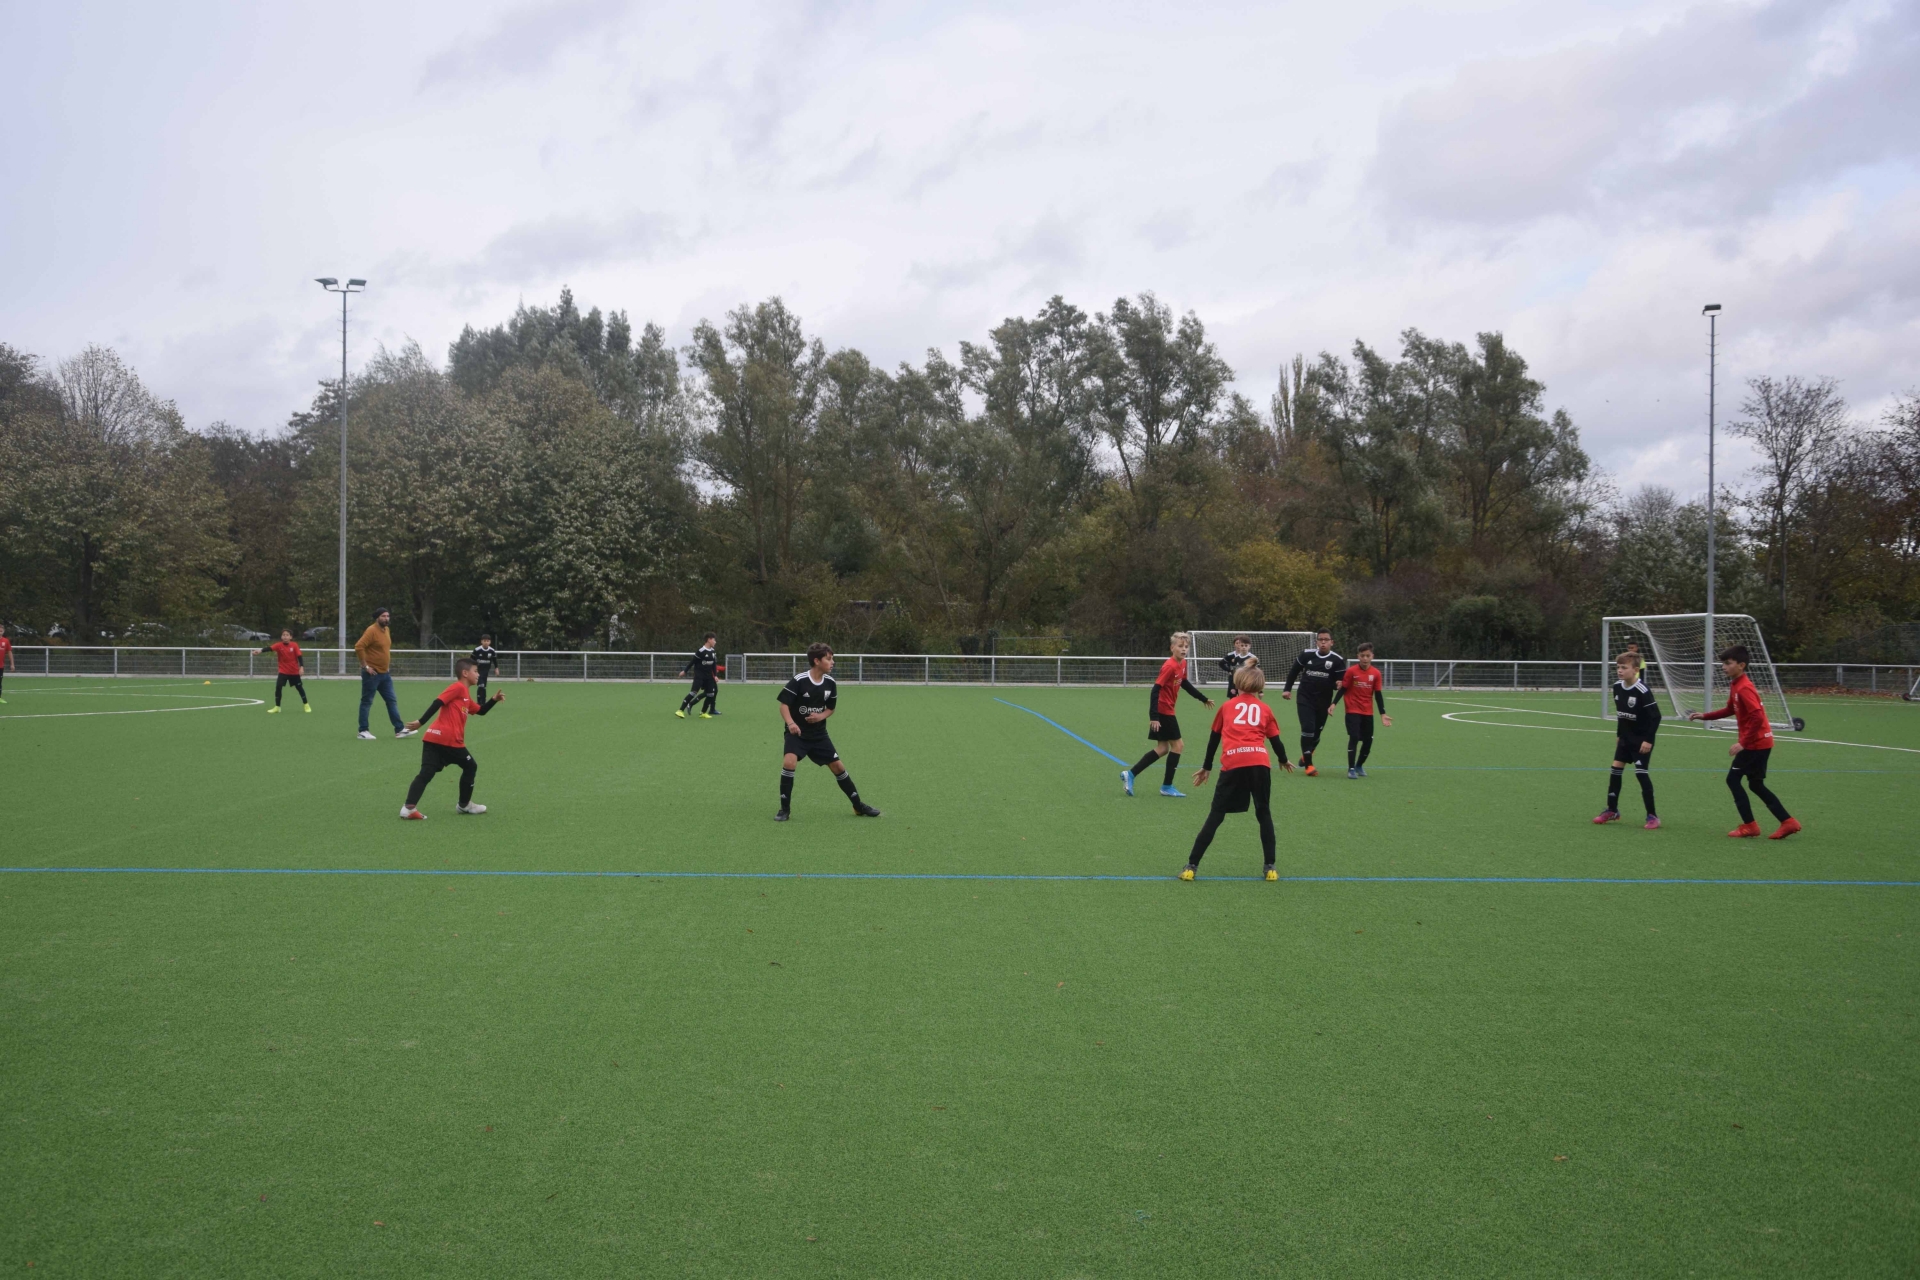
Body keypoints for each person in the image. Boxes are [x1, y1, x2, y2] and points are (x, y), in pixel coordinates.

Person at [1181, 664, 1294, 881]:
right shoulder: (1265, 709)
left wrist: (1206, 767)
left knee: (1216, 814)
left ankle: (1191, 867)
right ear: (1260, 686)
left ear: (1237, 683)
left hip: (1234, 762)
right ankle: (1270, 867)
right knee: (1263, 813)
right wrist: (1283, 759)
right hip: (1259, 763)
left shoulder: (1227, 707)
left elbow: (1214, 739)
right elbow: (1275, 740)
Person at [1688, 645, 1801, 839]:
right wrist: (1705, 716)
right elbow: (1730, 709)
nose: (1724, 667)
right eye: (1723, 663)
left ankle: (1750, 826)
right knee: (1756, 784)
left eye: (1728, 663)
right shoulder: (1736, 684)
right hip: (1761, 743)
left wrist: (1743, 743)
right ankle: (1788, 822)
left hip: (1755, 744)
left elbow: (1757, 716)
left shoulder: (1744, 687)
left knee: (1733, 780)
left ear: (1741, 665)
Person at [775, 643, 881, 822]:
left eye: (832, 659)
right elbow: (784, 705)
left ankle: (858, 806)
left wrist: (820, 716)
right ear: (817, 661)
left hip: (819, 735)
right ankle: (784, 809)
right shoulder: (800, 680)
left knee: (838, 767)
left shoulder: (830, 683)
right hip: (797, 734)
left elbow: (831, 708)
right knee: (789, 762)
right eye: (829, 659)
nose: (832, 662)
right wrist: (791, 723)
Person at [399, 657, 503, 819]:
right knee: (470, 766)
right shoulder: (458, 687)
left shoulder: (465, 695)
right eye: (476, 671)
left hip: (432, 738)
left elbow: (480, 711)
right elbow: (438, 702)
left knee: (426, 772)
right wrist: (421, 722)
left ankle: (408, 808)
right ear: (465, 673)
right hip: (449, 740)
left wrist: (493, 700)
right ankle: (464, 805)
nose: (478, 674)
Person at [1122, 632, 1213, 798]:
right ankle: (1167, 786)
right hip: (1163, 711)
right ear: (1172, 648)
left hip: (1167, 710)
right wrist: (1154, 716)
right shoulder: (1169, 666)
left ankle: (1131, 774)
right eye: (1180, 646)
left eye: (1186, 647)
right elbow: (1155, 690)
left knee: (1163, 748)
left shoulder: (1183, 663)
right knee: (1178, 746)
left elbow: (1184, 683)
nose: (1184, 649)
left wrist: (1203, 698)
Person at [1594, 651, 1660, 829]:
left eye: (1624, 667)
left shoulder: (1642, 690)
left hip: (1641, 740)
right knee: (1615, 770)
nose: (1620, 670)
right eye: (1618, 667)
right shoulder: (1617, 687)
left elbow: (1656, 717)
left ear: (1636, 670)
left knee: (1641, 774)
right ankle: (1612, 810)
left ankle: (1652, 816)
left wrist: (1648, 740)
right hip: (1625, 738)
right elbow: (1621, 715)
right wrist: (1619, 735)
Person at [1281, 629, 1345, 776]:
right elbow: (1294, 671)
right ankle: (1309, 765)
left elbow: (1341, 685)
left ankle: (1307, 752)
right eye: (1320, 639)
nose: (1323, 642)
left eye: (1326, 640)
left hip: (1323, 701)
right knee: (1307, 729)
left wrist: (1336, 690)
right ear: (1316, 642)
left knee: (1316, 734)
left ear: (1331, 642)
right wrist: (1287, 689)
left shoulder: (1337, 660)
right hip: (1305, 698)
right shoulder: (1306, 654)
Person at [1332, 642, 1391, 778]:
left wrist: (1383, 714)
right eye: (1362, 655)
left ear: (1372, 656)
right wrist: (1334, 703)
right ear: (1358, 656)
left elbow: (1378, 694)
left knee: (1368, 740)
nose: (1365, 658)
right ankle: (1351, 768)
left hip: (1367, 712)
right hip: (1352, 710)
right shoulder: (1351, 671)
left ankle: (1359, 765)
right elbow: (1344, 688)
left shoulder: (1376, 673)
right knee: (1354, 737)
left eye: (1367, 656)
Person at [355, 608, 412, 741]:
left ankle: (399, 729)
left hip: (385, 674)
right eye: (383, 616)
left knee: (391, 700)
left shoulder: (386, 630)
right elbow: (359, 646)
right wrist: (365, 666)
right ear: (377, 618)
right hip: (372, 674)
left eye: (387, 616)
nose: (386, 618)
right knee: (367, 702)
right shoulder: (371, 630)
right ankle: (363, 731)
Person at [252, 629, 310, 713]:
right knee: (278, 687)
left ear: (290, 637)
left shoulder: (294, 645)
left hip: (294, 671)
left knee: (299, 688)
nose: (285, 637)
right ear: (281, 637)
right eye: (283, 635)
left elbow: (299, 656)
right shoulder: (279, 645)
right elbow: (269, 648)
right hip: (283, 671)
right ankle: (277, 707)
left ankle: (306, 704)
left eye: (287, 635)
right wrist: (259, 651)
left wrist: (301, 667)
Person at [676, 634, 721, 719]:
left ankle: (703, 712)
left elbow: (713, 665)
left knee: (711, 694)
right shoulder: (701, 651)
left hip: (709, 677)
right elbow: (692, 662)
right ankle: (680, 710)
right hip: (699, 676)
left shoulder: (713, 651)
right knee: (693, 693)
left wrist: (715, 675)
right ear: (709, 640)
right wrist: (685, 671)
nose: (715, 642)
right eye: (714, 640)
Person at [471, 634, 499, 701]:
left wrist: (496, 668)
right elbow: (471, 660)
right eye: (484, 641)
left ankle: (482, 701)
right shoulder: (477, 650)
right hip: (478, 671)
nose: (486, 642)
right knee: (481, 685)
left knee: (483, 687)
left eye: (487, 641)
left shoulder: (492, 651)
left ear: (490, 642)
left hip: (486, 672)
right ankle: (481, 702)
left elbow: (494, 660)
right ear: (481, 641)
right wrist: (471, 668)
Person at [0, 622, 14, 704]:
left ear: (3, 631)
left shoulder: (6, 641)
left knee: (0, 682)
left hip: (1, 666)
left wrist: (12, 664)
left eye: (1, 630)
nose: (0, 631)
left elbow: (9, 652)